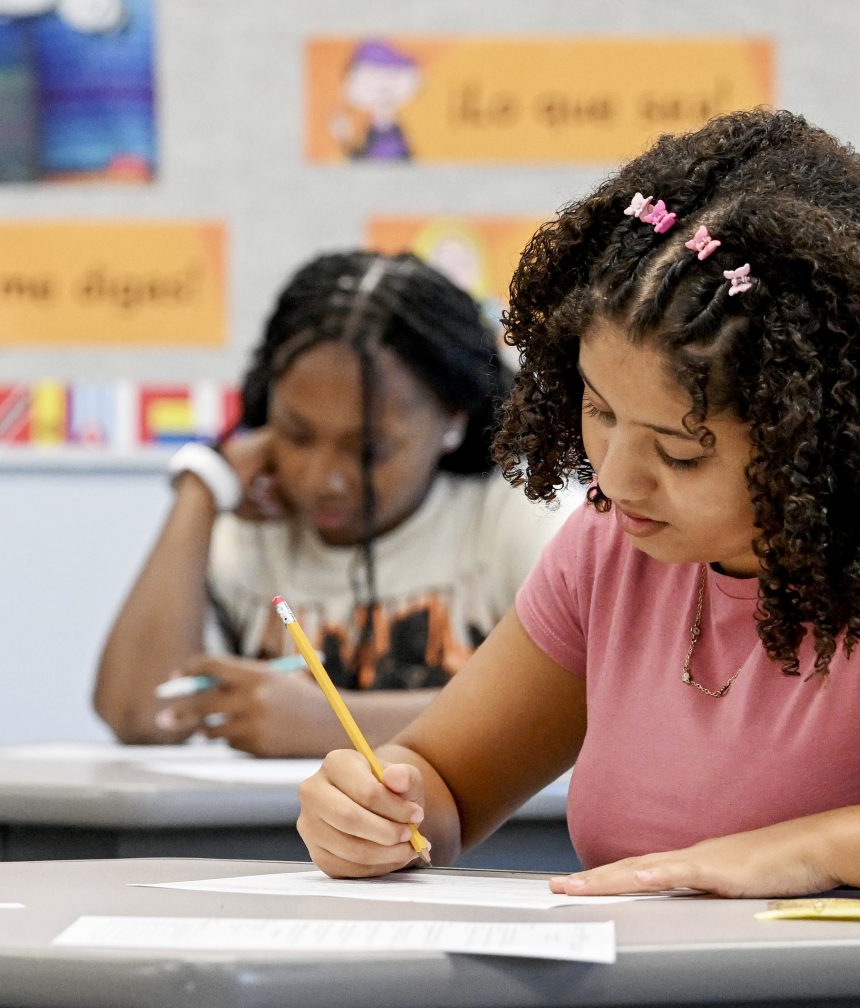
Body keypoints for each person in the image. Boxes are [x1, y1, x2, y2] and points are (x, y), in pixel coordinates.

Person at [298, 111, 860, 909]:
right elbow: (442, 786)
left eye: (681, 449)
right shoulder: (611, 551)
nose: (619, 479)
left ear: (814, 437)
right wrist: (376, 812)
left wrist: (826, 846)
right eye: (600, 409)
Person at [95, 252, 559, 757]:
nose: (325, 479)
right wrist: (201, 489)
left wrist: (333, 725)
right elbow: (142, 716)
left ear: (453, 420)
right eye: (295, 434)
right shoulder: (244, 529)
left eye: (367, 451)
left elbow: (575, 708)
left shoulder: (523, 515)